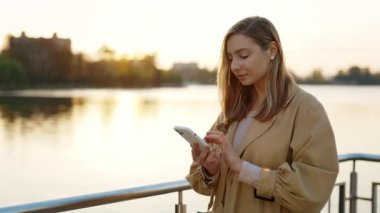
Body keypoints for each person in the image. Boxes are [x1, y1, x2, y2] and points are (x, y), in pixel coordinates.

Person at [186, 16, 339, 213]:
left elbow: (314, 191)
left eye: (243, 56)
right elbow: (202, 185)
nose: (234, 66)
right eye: (231, 58)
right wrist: (210, 168)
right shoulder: (232, 110)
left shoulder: (306, 110)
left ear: (272, 51)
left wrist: (242, 167)